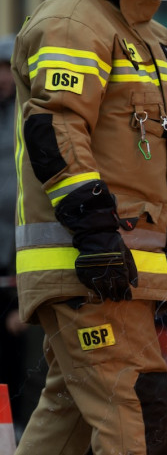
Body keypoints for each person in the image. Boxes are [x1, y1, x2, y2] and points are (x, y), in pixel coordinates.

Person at [11, 0, 167, 455]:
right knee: (140, 417)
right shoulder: (74, 23)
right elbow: (55, 126)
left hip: (117, 269)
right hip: (88, 263)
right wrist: (96, 232)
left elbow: (160, 151)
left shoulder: (152, 38)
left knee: (65, 421)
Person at [0, 34, 46, 442]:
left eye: (5, 68)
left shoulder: (31, 114)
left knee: (32, 364)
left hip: (24, 256)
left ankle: (28, 436)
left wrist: (20, 301)